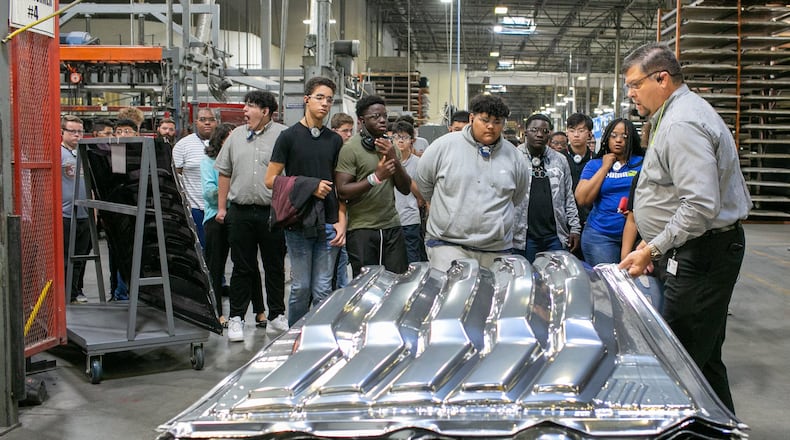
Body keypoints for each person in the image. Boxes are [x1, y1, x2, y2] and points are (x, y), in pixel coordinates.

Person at [618, 42, 752, 413]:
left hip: (701, 255)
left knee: (679, 363)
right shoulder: (672, 115)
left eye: (634, 84)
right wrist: (653, 239)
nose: (630, 94)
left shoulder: (683, 123)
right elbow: (671, 194)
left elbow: (699, 206)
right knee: (702, 361)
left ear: (661, 78)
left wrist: (653, 247)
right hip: (693, 250)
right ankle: (721, 430)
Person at [265, 76, 346, 327]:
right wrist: (310, 186)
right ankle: (295, 338)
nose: (324, 104)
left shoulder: (334, 140)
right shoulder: (288, 137)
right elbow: (270, 180)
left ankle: (318, 340)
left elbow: (340, 186)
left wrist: (342, 222)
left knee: (323, 288)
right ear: (306, 99)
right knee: (301, 287)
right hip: (298, 221)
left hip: (329, 221)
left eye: (329, 100)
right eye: (319, 97)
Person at [415, 94, 527, 271]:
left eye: (497, 122)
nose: (491, 126)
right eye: (485, 120)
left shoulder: (514, 157)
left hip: (496, 250)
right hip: (449, 246)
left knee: (491, 298)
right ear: (471, 118)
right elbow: (424, 184)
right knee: (452, 297)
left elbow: (517, 196)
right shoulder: (443, 147)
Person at [215, 91, 289, 340]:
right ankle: (236, 317)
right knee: (241, 266)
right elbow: (224, 172)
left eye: (250, 106)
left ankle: (276, 315)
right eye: (245, 106)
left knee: (274, 265)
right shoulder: (235, 136)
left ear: (265, 111)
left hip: (272, 213)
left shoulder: (283, 135)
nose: (245, 111)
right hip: (241, 212)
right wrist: (222, 207)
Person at [335, 95, 411, 277]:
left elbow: (405, 188)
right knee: (364, 285)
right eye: (375, 117)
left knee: (397, 283)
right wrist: (376, 177)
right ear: (361, 121)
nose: (383, 120)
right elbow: (343, 191)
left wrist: (394, 157)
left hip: (392, 225)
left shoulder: (390, 147)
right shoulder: (350, 149)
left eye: (384, 116)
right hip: (362, 228)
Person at [575, 118, 644, 266]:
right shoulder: (595, 164)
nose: (618, 140)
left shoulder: (643, 163)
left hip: (637, 235)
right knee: (610, 283)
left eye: (624, 136)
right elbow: (582, 199)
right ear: (607, 138)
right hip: (600, 236)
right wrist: (605, 167)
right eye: (613, 136)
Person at [513, 114, 581, 263]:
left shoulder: (560, 159)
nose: (539, 134)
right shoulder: (514, 157)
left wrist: (575, 228)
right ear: (525, 132)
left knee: (557, 282)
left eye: (545, 131)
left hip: (555, 236)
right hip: (523, 237)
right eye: (534, 130)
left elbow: (568, 196)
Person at [201, 122, 236, 329]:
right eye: (229, 138)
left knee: (243, 265)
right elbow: (210, 194)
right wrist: (233, 194)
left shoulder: (238, 160)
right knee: (215, 267)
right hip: (215, 219)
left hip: (238, 217)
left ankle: (238, 314)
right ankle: (216, 312)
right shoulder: (208, 162)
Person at [173, 108, 218, 248]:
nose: (207, 123)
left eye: (211, 120)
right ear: (195, 122)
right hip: (195, 207)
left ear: (217, 122)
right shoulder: (183, 145)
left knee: (217, 251)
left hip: (220, 207)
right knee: (199, 248)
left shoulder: (225, 143)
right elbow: (176, 175)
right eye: (203, 120)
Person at [61, 115, 91, 304]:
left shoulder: (85, 153)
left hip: (84, 214)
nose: (77, 135)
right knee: (65, 257)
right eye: (72, 131)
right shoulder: (57, 153)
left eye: (80, 131)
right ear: (62, 132)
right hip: (64, 215)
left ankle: (74, 291)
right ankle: (64, 294)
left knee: (80, 257)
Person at [391, 120, 428, 264]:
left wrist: (405, 177)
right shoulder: (386, 161)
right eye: (397, 136)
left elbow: (422, 194)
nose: (400, 141)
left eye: (405, 137)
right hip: (390, 220)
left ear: (412, 140)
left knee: (413, 261)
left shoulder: (418, 163)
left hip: (410, 219)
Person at [329, 112, 355, 288]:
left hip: (348, 219)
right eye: (345, 131)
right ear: (334, 131)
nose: (349, 135)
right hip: (333, 220)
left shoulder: (349, 155)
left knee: (342, 269)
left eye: (351, 131)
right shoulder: (330, 155)